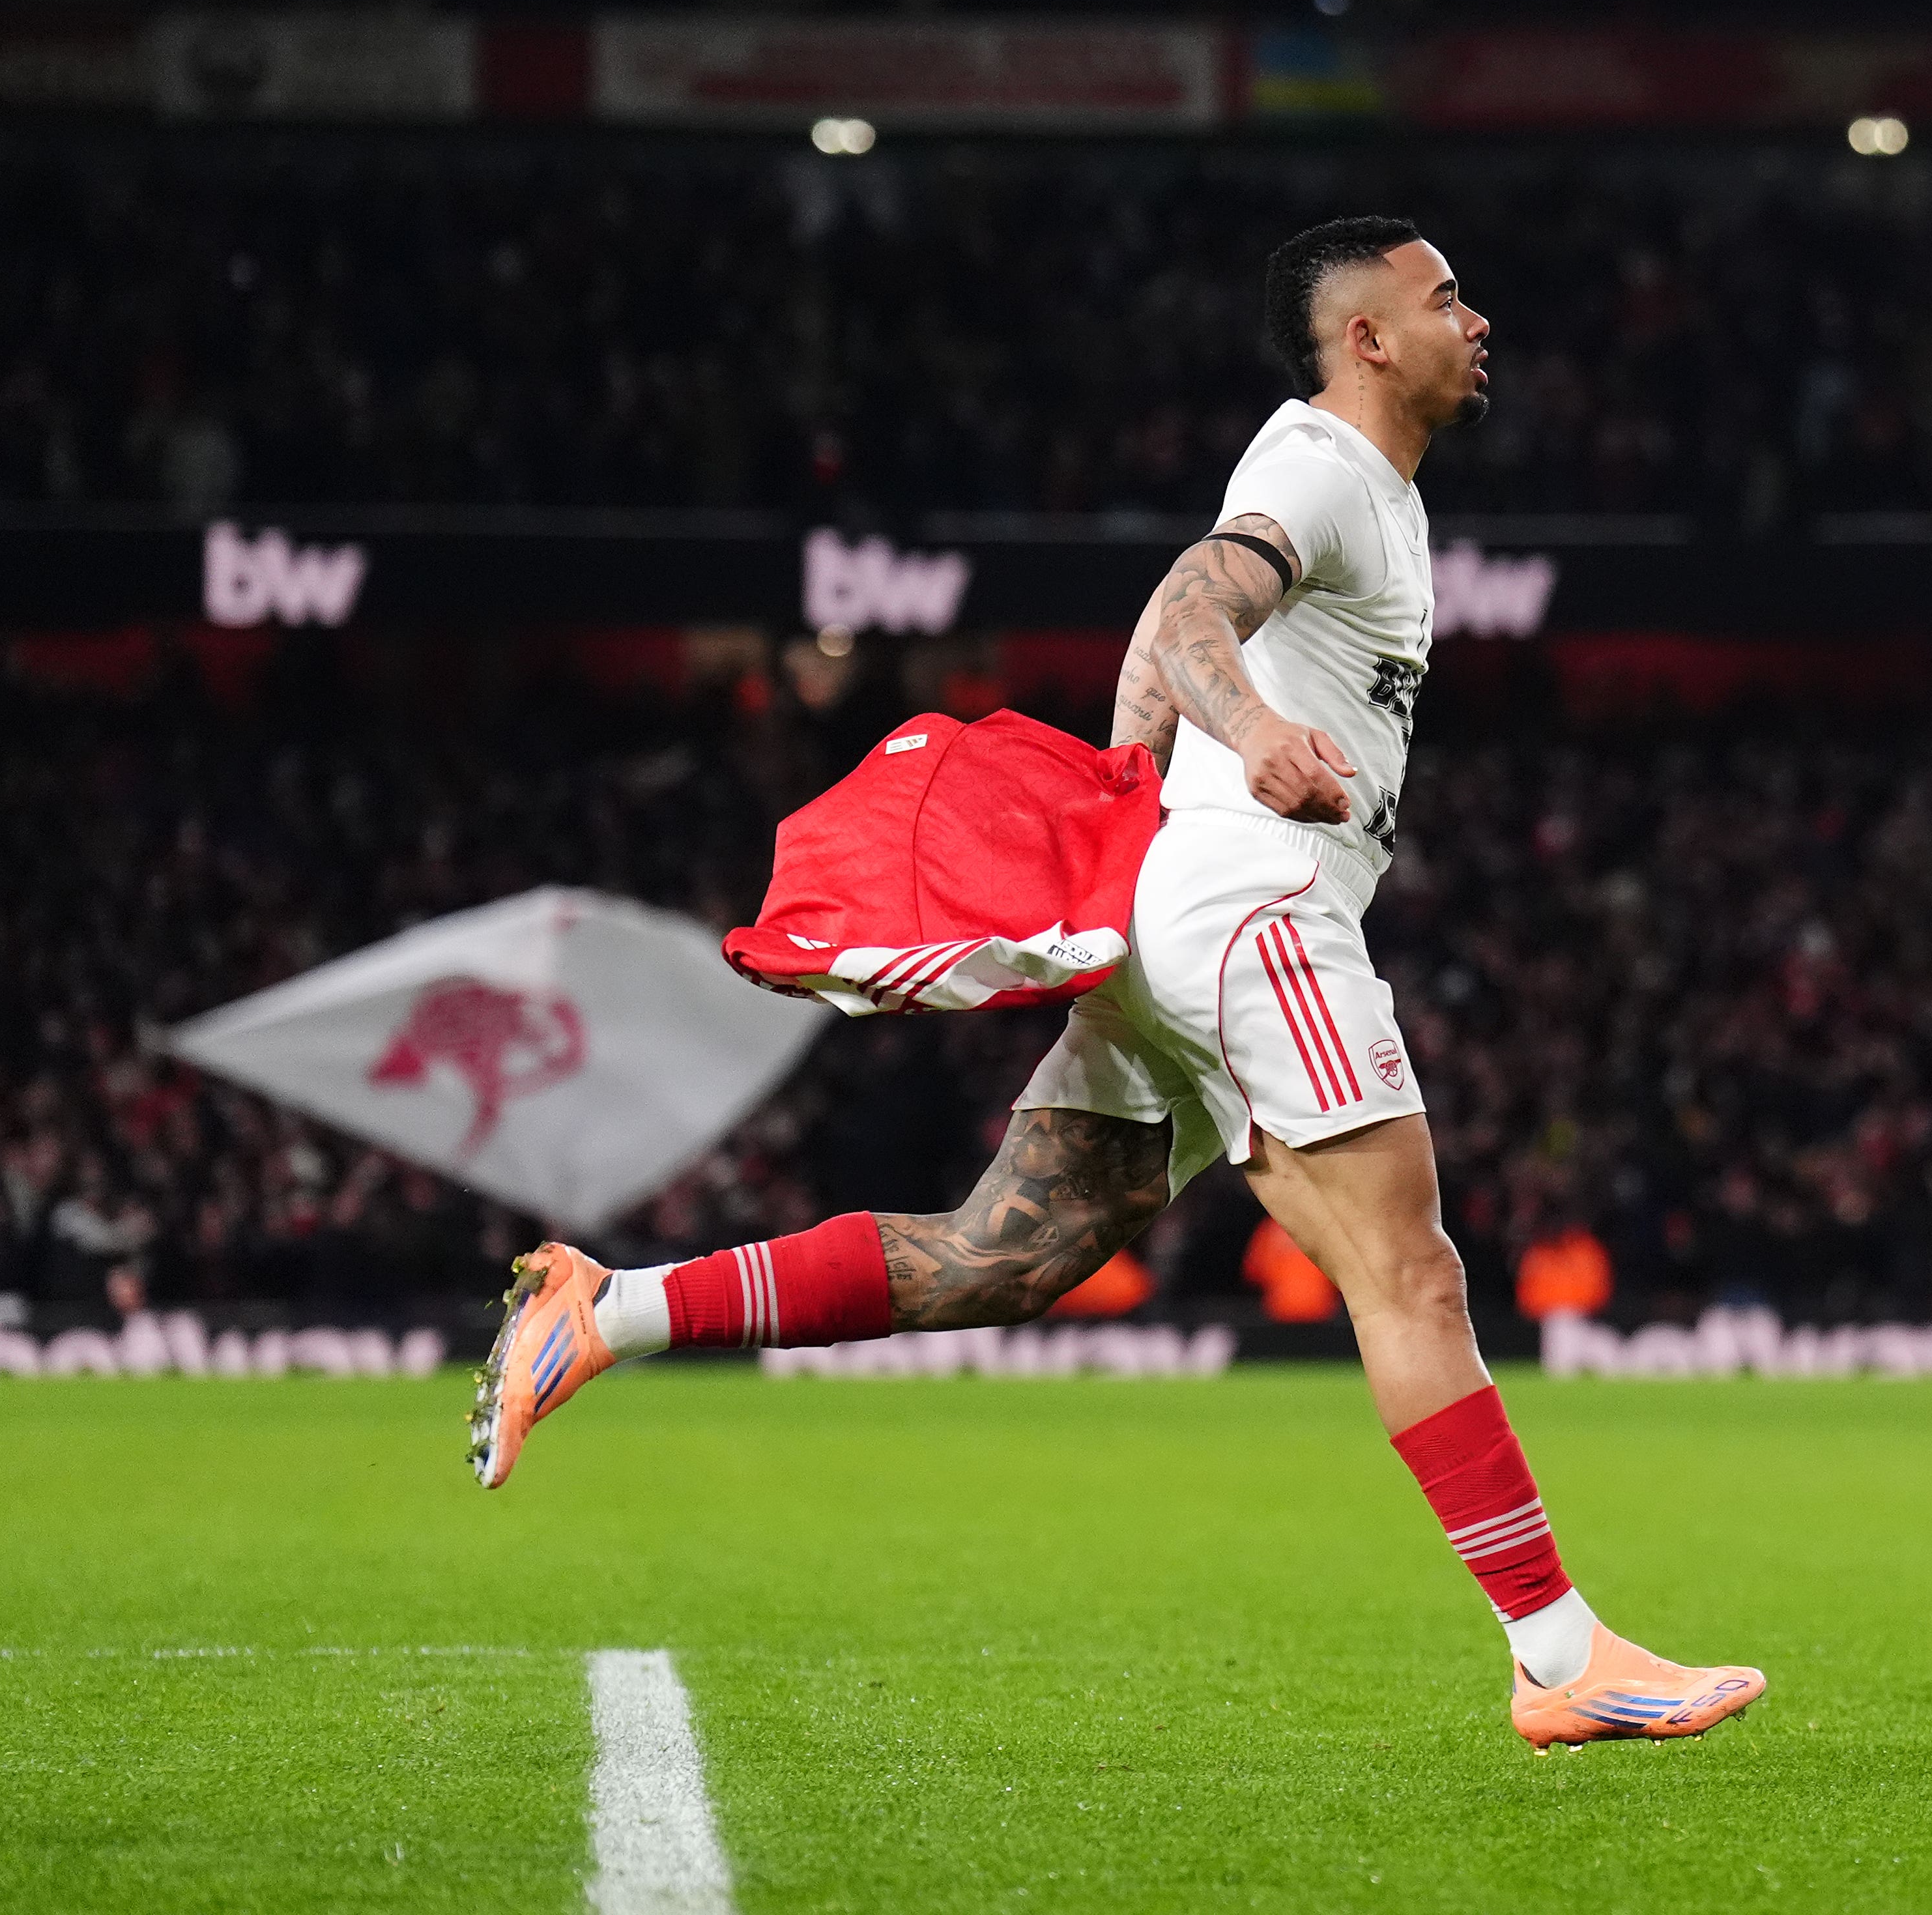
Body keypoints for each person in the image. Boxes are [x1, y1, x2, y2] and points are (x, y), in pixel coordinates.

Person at [467, 216, 1764, 1751]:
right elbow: (1192, 603)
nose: (1476, 320)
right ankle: (1558, 1654)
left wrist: (1122, 802)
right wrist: (1253, 743)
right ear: (1366, 336)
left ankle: (608, 1310)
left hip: (1182, 912)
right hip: (1253, 910)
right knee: (1407, 1270)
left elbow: (1161, 643)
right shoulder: (1328, 471)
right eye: (1445, 299)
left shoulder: (1366, 491)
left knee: (991, 1254)